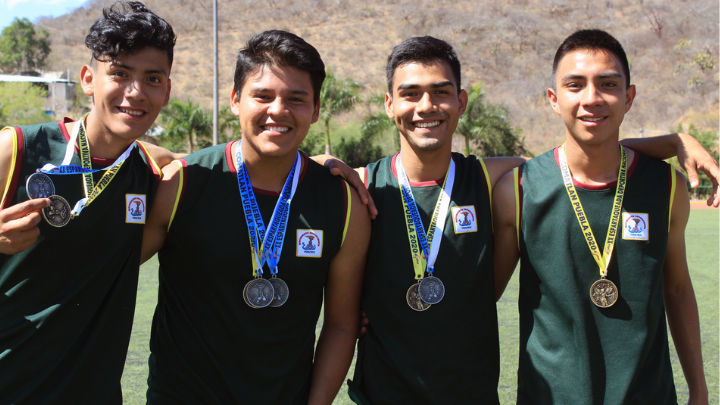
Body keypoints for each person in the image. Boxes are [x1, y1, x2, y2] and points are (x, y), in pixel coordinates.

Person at [317, 36, 718, 405]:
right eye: (411, 94)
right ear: (389, 104)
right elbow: (279, 169)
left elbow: (582, 154)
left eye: (440, 92)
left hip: (475, 393)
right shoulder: (361, 187)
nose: (426, 106)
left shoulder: (498, 180)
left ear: (461, 102)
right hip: (383, 393)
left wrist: (673, 141)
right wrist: (320, 161)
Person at [140, 30, 371, 405]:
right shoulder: (183, 183)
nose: (277, 111)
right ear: (235, 101)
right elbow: (108, 269)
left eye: (296, 99)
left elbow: (342, 324)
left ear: (315, 109)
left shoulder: (344, 204)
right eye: (262, 96)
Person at [493, 29, 709, 404]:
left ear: (629, 97)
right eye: (575, 85)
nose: (591, 98)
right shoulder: (519, 190)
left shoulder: (668, 187)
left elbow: (676, 290)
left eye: (607, 84)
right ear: (553, 99)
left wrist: (699, 390)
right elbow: (480, 298)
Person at [0, 1, 179, 403]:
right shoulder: (17, 148)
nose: (135, 92)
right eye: (119, 73)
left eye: (152, 78)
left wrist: (320, 163)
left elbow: (237, 167)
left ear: (166, 90)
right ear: (87, 79)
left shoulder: (156, 170)